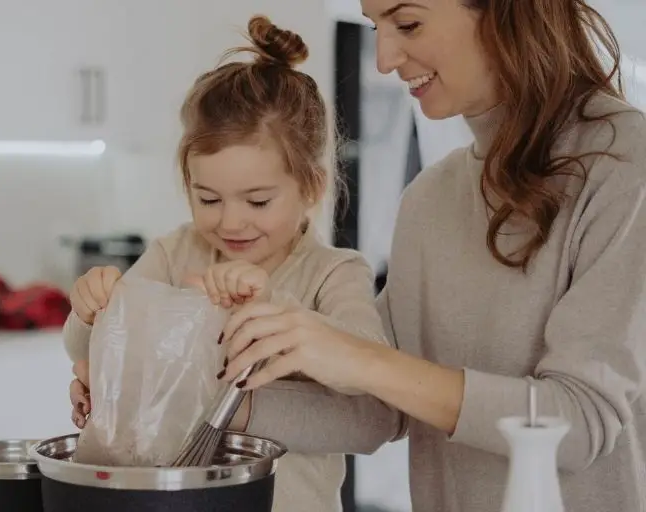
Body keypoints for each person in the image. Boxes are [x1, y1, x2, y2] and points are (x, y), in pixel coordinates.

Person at [219, 1, 646, 511]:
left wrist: (360, 357)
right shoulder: (431, 196)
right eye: (377, 28)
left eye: (408, 24)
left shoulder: (626, 167)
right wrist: (188, 390)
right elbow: (377, 413)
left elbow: (578, 421)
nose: (383, 59)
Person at [62, 15, 397, 512]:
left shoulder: (334, 274)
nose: (231, 222)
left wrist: (270, 310)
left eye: (258, 201)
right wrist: (90, 311)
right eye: (209, 199)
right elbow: (88, 347)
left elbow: (369, 405)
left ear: (311, 188)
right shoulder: (175, 253)